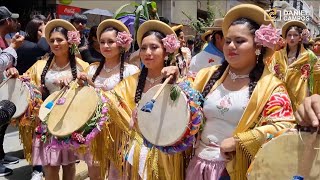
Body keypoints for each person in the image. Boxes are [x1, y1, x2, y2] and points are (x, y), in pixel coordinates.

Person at [165, 4, 296, 179]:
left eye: (240, 41)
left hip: (236, 170)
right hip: (198, 166)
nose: (231, 46)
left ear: (257, 46)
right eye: (228, 41)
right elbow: (182, 98)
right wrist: (173, 82)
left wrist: (240, 141)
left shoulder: (271, 86)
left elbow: (284, 127)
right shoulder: (206, 75)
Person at [98, 20, 186, 180]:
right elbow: (107, 103)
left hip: (166, 155)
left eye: (154, 47)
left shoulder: (177, 82)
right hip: (132, 150)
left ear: (166, 51)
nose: (147, 52)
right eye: (143, 48)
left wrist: (178, 79)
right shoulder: (130, 82)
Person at [26, 19, 89, 180]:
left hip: (70, 122)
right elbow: (26, 85)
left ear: (69, 41)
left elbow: (90, 95)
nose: (55, 43)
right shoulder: (40, 65)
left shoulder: (82, 67)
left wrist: (79, 84)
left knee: (69, 166)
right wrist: (13, 73)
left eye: (59, 39)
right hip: (46, 121)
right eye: (52, 40)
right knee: (50, 167)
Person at [82, 19, 139, 180]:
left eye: (111, 42)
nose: (106, 46)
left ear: (121, 44)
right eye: (102, 42)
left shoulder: (131, 71)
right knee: (94, 173)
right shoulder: (91, 69)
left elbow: (134, 101)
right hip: (94, 129)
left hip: (119, 130)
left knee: (119, 174)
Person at [268, 20, 320, 110]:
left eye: (295, 35)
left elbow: (315, 75)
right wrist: (276, 73)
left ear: (300, 37)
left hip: (301, 94)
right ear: (285, 37)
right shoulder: (278, 54)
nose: (292, 38)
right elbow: (270, 72)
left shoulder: (308, 55)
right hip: (282, 94)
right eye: (289, 35)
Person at [0, 6, 24, 177]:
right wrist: (13, 47)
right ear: (7, 21)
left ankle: (0, 157)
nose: (14, 22)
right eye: (12, 19)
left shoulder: (3, 38)